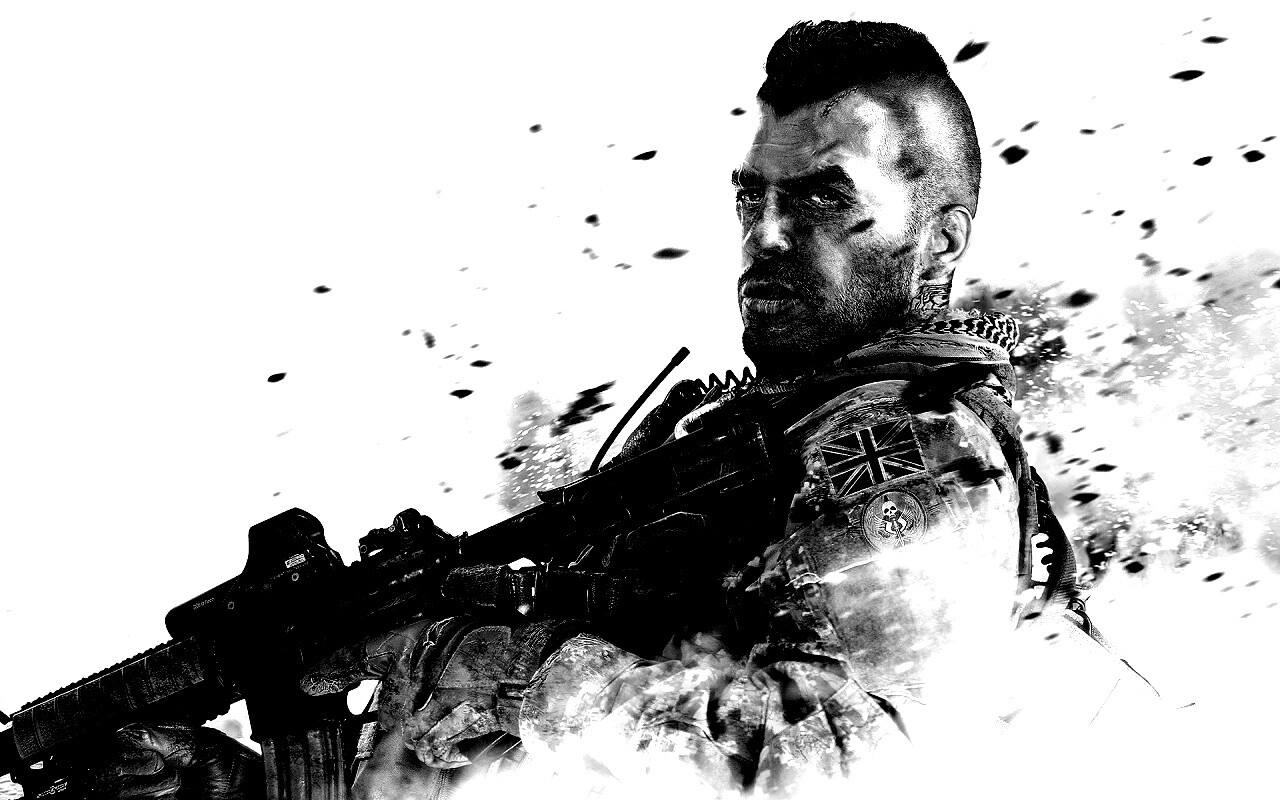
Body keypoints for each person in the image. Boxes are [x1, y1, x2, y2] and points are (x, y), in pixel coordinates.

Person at [34, 19, 1162, 800]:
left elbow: (837, 769)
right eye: (751, 198)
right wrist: (245, 785)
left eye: (825, 198)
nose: (768, 235)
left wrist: (463, 654)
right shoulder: (756, 442)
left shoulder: (903, 444)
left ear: (941, 238)